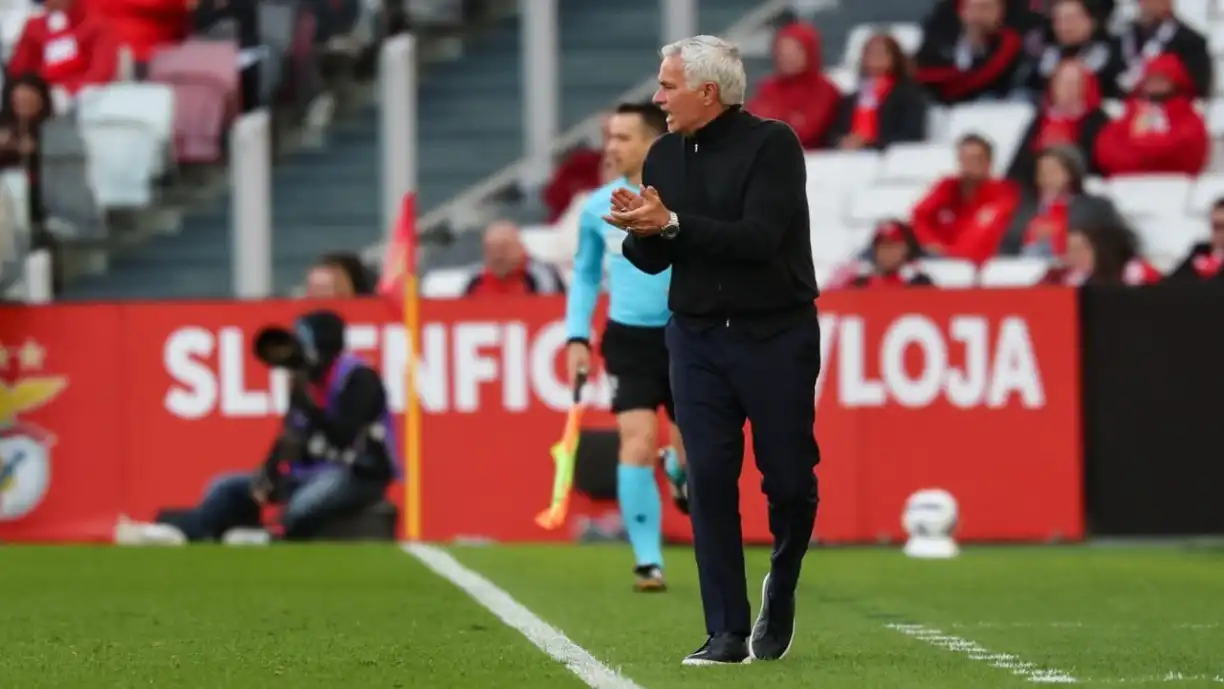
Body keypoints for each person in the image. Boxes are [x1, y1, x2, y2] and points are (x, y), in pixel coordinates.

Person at [604, 35, 820, 666]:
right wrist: (639, 231)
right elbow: (655, 258)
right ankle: (725, 631)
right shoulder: (665, 155)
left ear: (707, 91)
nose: (657, 96)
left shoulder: (773, 144)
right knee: (708, 480)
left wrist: (671, 225)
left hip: (776, 333)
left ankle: (781, 580)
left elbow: (758, 239)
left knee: (788, 478)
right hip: (695, 336)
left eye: (667, 85)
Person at [114, 310, 396, 545]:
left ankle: (269, 536)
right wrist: (269, 473)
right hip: (311, 473)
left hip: (359, 475)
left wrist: (308, 404)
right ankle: (180, 531)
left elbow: (342, 436)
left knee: (304, 505)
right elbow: (290, 436)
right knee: (225, 486)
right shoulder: (307, 382)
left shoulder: (359, 379)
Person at [565, 102, 690, 593]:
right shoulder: (596, 208)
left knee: (693, 452)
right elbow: (583, 276)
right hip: (629, 340)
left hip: (686, 335)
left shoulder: (682, 201)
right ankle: (647, 560)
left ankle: (679, 469)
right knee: (635, 441)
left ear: (652, 143)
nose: (611, 146)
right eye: (609, 136)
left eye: (623, 137)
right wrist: (577, 336)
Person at [911, 134, 1021, 263]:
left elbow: (987, 233)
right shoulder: (947, 186)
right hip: (945, 261)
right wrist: (931, 242)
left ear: (989, 161)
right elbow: (920, 216)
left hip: (982, 265)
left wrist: (951, 254)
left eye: (976, 159)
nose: (969, 165)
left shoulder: (1004, 192)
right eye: (964, 159)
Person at [744, 20, 840, 150]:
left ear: (810, 52)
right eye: (782, 51)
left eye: (795, 51)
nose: (787, 57)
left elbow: (806, 132)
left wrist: (774, 118)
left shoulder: (825, 89)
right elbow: (749, 125)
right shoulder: (768, 86)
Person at [826, 32, 929, 151]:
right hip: (850, 160)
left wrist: (870, 144)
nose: (875, 57)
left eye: (881, 52)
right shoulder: (850, 100)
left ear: (895, 57)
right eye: (870, 53)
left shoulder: (909, 96)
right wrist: (842, 141)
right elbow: (832, 134)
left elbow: (911, 135)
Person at [463, 220, 565, 296]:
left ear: (520, 248)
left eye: (503, 248)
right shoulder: (476, 279)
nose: (498, 256)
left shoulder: (539, 275)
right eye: (491, 250)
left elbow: (550, 308)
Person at [847, 220, 935, 288]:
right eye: (884, 246)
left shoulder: (919, 283)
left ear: (906, 249)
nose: (888, 252)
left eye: (895, 246)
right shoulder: (859, 282)